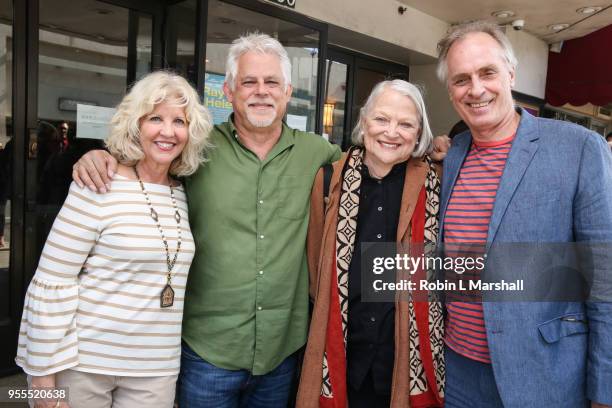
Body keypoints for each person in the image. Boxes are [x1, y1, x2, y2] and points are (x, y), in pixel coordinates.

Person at [436, 20, 612, 407]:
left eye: (487, 73)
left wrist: (604, 389)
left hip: (545, 374)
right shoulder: (453, 155)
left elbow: (604, 278)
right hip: (460, 372)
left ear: (510, 74)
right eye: (461, 79)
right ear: (450, 91)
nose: (476, 89)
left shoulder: (579, 147)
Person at [17, 70, 212, 408]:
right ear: (135, 125)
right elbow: (51, 282)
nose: (168, 131)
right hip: (84, 364)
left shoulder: (183, 192)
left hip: (156, 369)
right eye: (155, 118)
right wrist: (42, 381)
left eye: (179, 121)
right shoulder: (97, 184)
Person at [297, 79, 444, 408]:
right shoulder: (328, 181)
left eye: (406, 124)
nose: (392, 132)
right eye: (382, 119)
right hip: (342, 358)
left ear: (419, 133)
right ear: (364, 122)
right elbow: (315, 272)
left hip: (403, 363)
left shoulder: (438, 185)